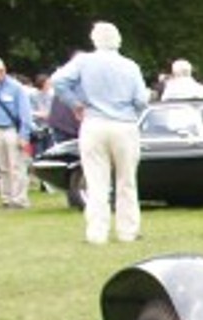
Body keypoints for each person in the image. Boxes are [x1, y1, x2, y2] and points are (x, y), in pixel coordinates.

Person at [50, 21, 149, 244]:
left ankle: (97, 233)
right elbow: (141, 100)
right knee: (127, 181)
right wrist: (130, 111)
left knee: (96, 182)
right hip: (124, 125)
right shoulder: (130, 66)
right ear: (118, 40)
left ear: (94, 40)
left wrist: (75, 104)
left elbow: (58, 80)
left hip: (94, 122)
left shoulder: (84, 61)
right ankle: (128, 231)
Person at [0, 57, 35, 209]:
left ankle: (19, 200)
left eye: (0, 71)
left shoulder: (16, 88)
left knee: (16, 166)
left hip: (12, 129)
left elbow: (25, 113)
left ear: (4, 70)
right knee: (2, 167)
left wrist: (24, 135)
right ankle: (6, 199)